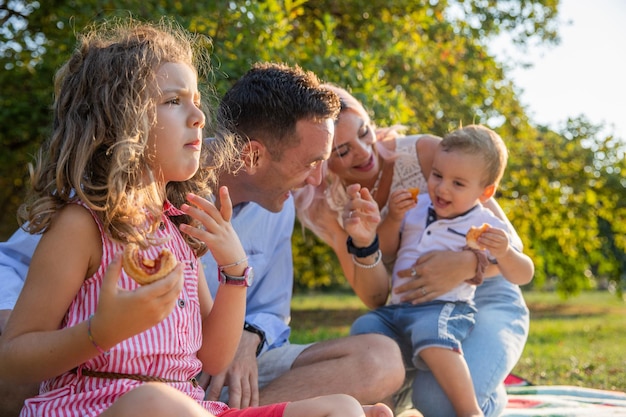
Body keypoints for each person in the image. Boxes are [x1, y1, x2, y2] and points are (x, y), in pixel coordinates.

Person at [0, 20, 394, 417]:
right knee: (155, 402)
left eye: (195, 100)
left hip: (192, 405)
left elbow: (213, 358)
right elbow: (12, 357)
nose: (200, 116)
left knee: (339, 408)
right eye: (173, 101)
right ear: (119, 118)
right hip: (103, 405)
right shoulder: (82, 225)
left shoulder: (179, 227)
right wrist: (99, 333)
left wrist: (234, 271)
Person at [293, 85, 531, 417]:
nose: (364, 152)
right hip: (410, 309)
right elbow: (376, 297)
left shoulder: (427, 153)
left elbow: (513, 248)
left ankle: (486, 398)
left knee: (437, 400)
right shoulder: (326, 205)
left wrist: (466, 263)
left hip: (486, 294)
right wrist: (366, 239)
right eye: (342, 150)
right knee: (368, 339)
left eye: (365, 132)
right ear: (319, 156)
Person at [345, 124, 534, 417]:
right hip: (397, 309)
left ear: (485, 192)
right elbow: (388, 250)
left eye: (458, 184)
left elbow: (524, 273)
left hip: (443, 309)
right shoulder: (416, 207)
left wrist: (505, 252)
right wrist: (393, 218)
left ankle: (471, 410)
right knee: (364, 329)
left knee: (430, 334)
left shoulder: (485, 224)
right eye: (437, 175)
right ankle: (385, 412)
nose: (442, 188)